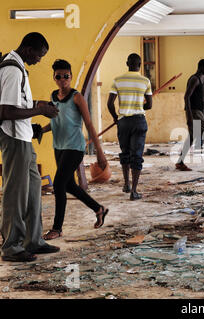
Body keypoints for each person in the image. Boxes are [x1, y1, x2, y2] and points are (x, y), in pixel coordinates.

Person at [0, 32, 60, 262]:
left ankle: (33, 240)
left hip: (24, 137)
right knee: (16, 193)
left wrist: (38, 105)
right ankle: (11, 246)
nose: (39, 60)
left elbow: (19, 104)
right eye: (39, 55)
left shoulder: (19, 68)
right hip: (13, 138)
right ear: (27, 49)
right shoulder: (12, 70)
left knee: (33, 189)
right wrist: (40, 110)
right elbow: (6, 112)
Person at [41, 59, 109, 240]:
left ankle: (57, 228)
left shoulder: (76, 97)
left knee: (58, 184)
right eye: (59, 76)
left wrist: (100, 152)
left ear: (70, 77)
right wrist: (42, 130)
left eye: (66, 76)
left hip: (75, 147)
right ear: (54, 77)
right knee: (69, 184)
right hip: (59, 146)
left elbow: (88, 123)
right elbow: (56, 121)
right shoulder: (53, 96)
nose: (63, 79)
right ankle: (99, 209)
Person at [107, 53, 152, 200]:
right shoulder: (145, 81)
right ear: (140, 64)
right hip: (139, 121)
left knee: (125, 152)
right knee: (136, 155)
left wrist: (116, 118)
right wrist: (139, 104)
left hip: (124, 122)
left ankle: (126, 184)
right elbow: (149, 105)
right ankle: (134, 191)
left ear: (127, 63)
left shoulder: (117, 80)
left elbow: (109, 104)